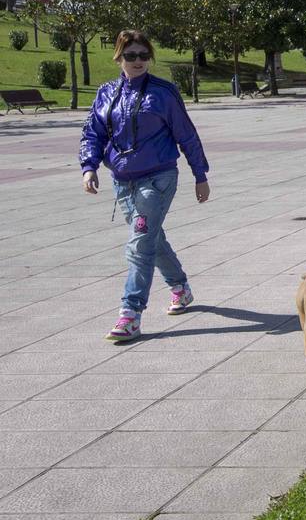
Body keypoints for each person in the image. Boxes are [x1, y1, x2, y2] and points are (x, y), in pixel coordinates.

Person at [80, 31, 210, 342]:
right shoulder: (106, 93)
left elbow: (187, 135)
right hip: (123, 182)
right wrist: (89, 167)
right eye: (130, 55)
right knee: (150, 236)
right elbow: (93, 134)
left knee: (139, 243)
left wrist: (200, 175)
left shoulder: (164, 93)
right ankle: (180, 287)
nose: (137, 61)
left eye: (143, 55)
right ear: (118, 58)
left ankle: (131, 313)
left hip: (159, 178)